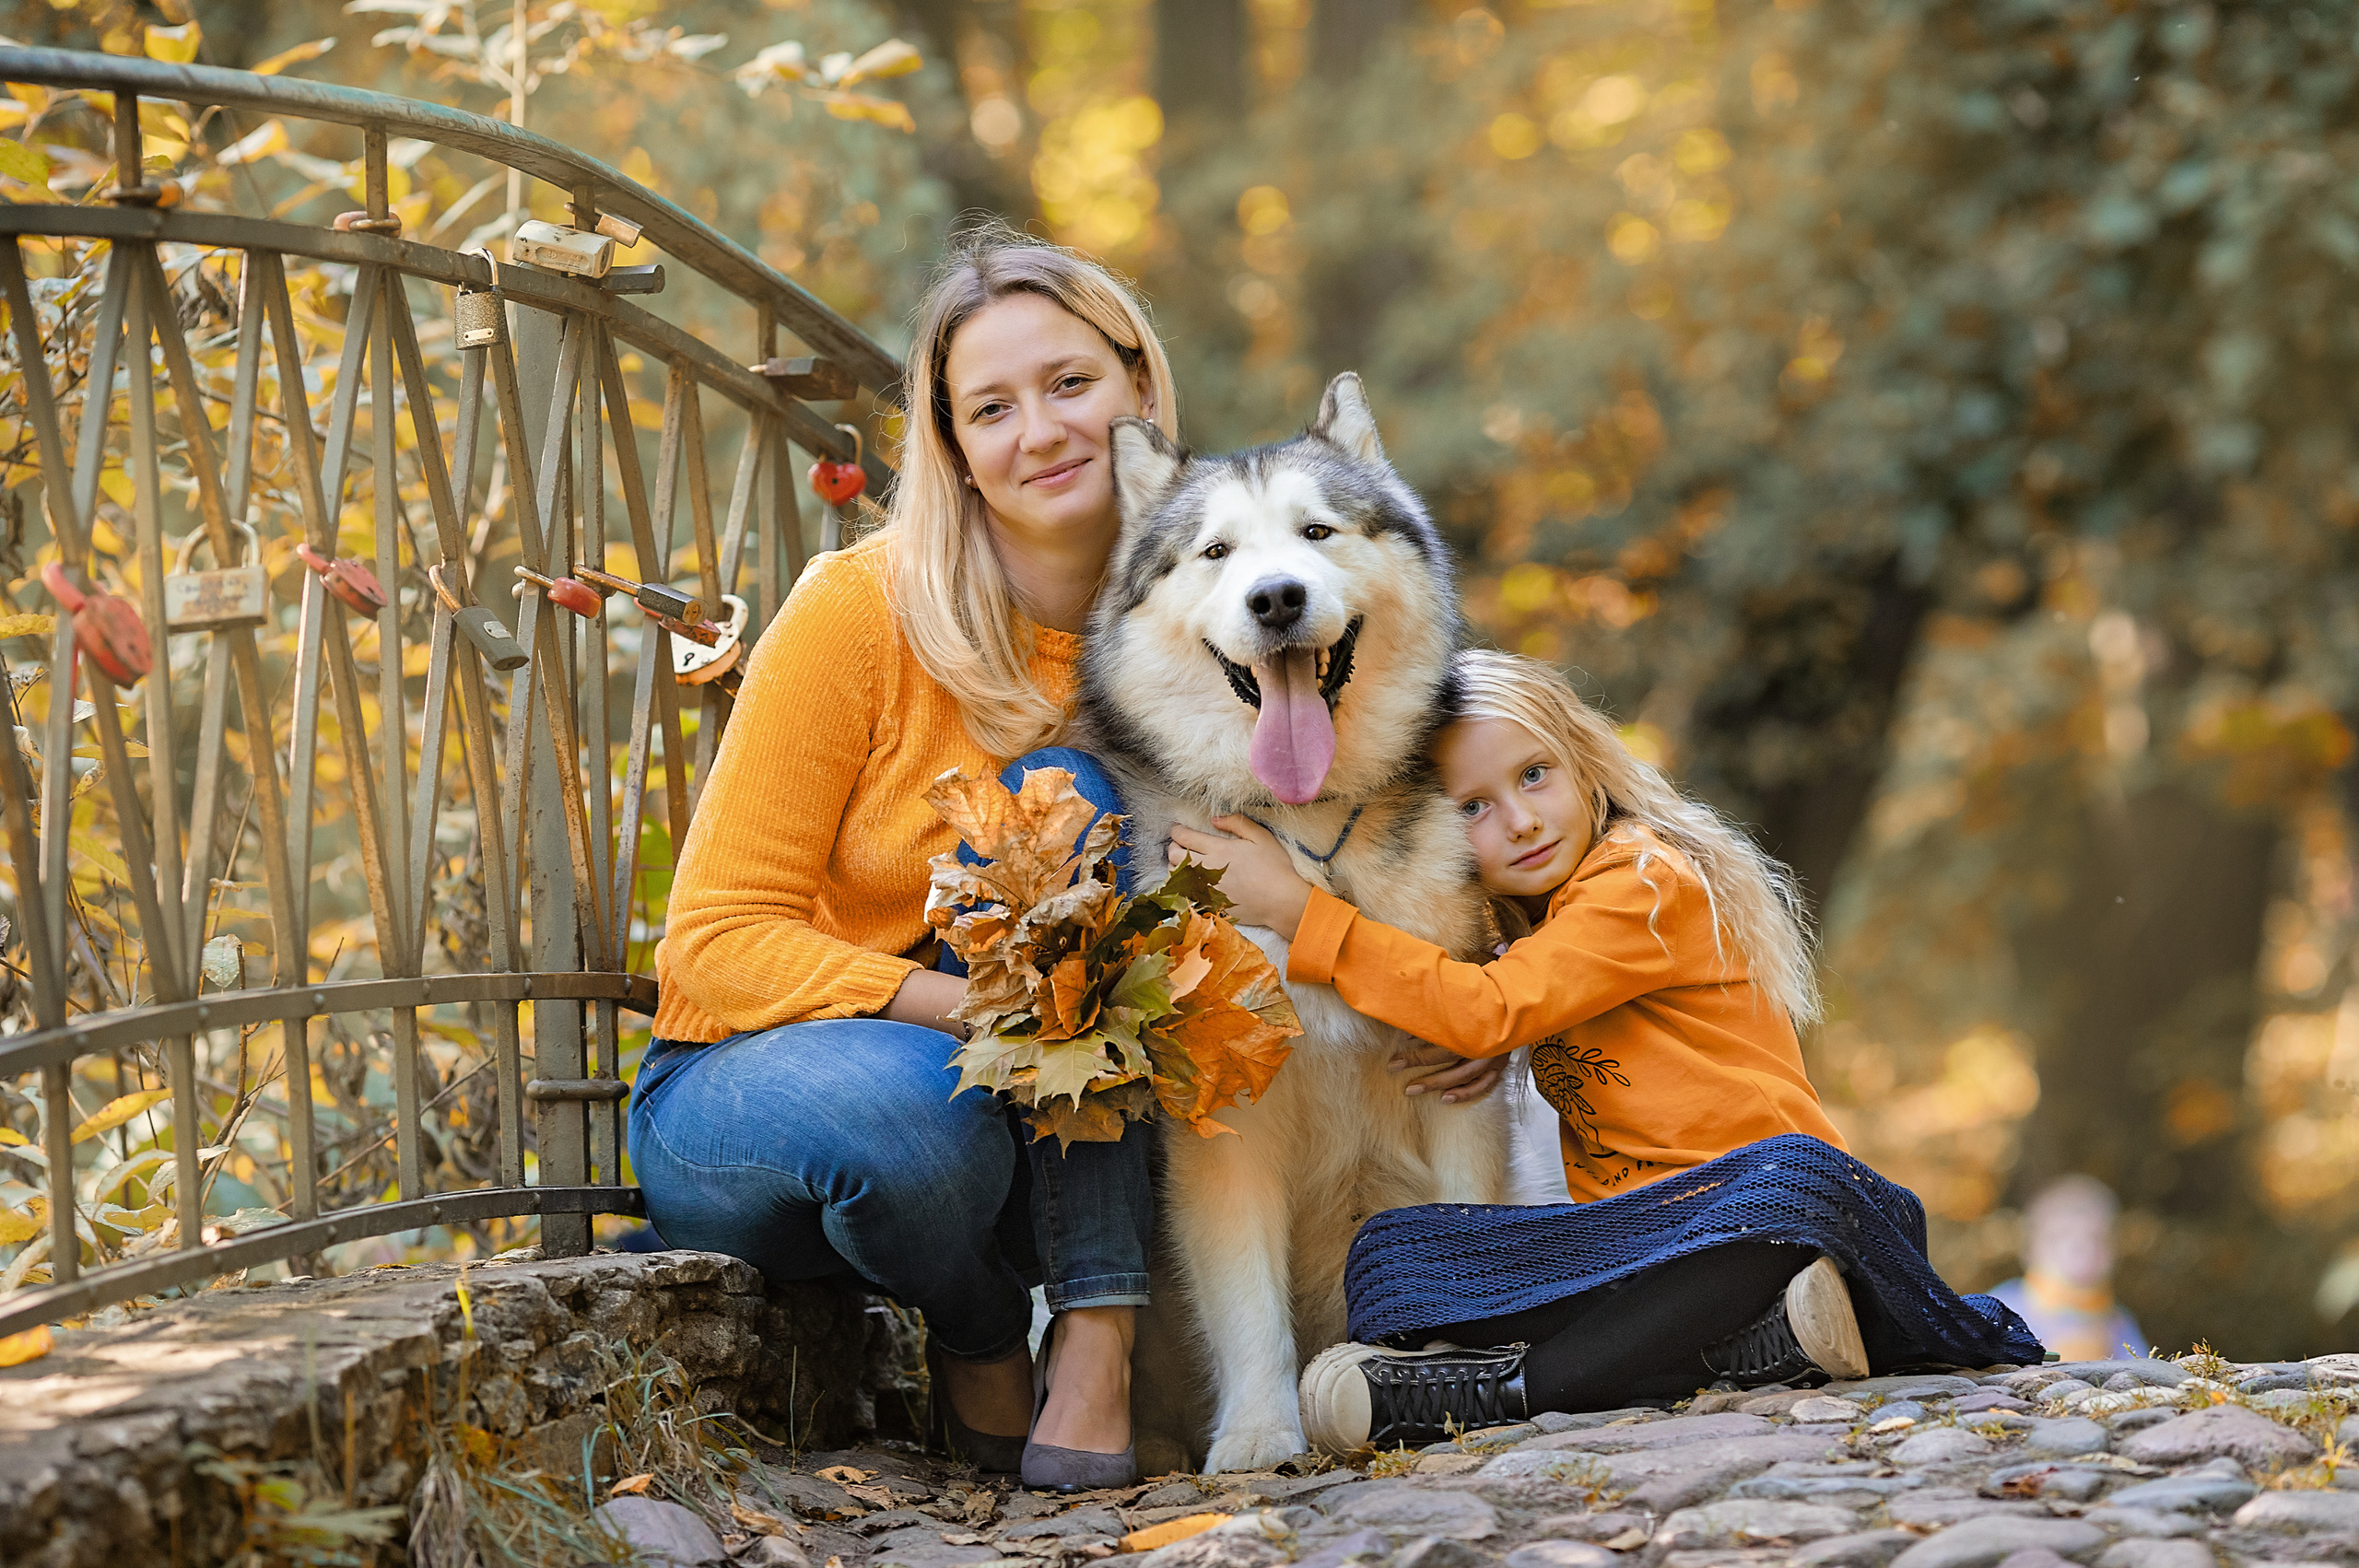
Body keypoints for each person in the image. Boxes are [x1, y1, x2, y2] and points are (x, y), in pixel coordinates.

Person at [1172, 649, 2042, 1450]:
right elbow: (1511, 1001)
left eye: (1534, 775)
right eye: (1473, 806)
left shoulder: (1644, 879)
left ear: (1585, 761)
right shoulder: (1543, 931)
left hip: (1769, 1219)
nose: (1518, 820)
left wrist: (1300, 910)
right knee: (1394, 1257)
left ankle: (1509, 1391)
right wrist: (1504, 1042)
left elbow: (1493, 1004)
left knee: (1789, 1183)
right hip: (1628, 1248)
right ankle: (1758, 1347)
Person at [628, 228, 1177, 1491]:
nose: (1039, 429)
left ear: (1140, 386)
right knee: (917, 1116)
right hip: (749, 1079)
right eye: (992, 406)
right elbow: (711, 941)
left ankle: (1098, 1340)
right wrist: (975, 1007)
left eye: (1071, 383)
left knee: (1077, 802)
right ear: (955, 447)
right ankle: (984, 1333)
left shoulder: (1195, 617)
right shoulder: (858, 608)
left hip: (1006, 1103)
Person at [1989, 1176, 2147, 1362]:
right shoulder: (2001, 1306)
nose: (2080, 1250)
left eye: (2096, 1239)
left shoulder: (2118, 1321)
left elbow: (2144, 1373)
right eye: (2059, 1238)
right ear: (2029, 1249)